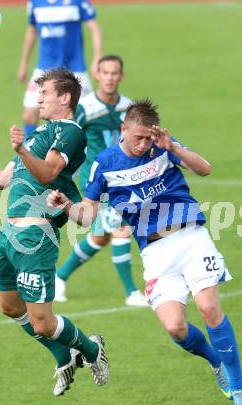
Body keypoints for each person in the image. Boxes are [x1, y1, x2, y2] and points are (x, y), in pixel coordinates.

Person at [46, 99, 242, 405]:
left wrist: (174, 149)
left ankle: (239, 387)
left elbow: (205, 168)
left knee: (209, 308)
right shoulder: (106, 163)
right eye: (138, 137)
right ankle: (216, 361)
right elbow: (87, 215)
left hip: (191, 237)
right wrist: (66, 207)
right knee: (175, 327)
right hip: (155, 252)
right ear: (123, 130)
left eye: (148, 138)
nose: (144, 144)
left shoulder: (162, 146)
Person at [0, 68, 109, 397]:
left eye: (45, 93)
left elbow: (48, 173)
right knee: (10, 307)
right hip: (9, 234)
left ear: (65, 98)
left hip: (36, 238)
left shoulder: (69, 133)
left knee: (42, 322)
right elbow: (2, 178)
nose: (38, 98)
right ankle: (63, 355)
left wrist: (22, 151)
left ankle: (92, 349)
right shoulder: (39, 133)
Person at [55, 55, 147, 307]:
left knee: (100, 237)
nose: (109, 78)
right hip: (98, 183)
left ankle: (59, 277)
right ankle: (131, 293)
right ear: (97, 75)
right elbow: (68, 135)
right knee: (122, 230)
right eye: (105, 73)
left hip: (125, 181)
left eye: (114, 73)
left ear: (121, 76)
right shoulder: (85, 108)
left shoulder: (127, 107)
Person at [17, 0, 102, 139]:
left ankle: (86, 154)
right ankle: (31, 156)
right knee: (29, 116)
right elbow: (32, 30)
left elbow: (94, 28)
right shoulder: (35, 3)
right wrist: (24, 63)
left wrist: (97, 57)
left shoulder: (77, 2)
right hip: (44, 68)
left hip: (75, 68)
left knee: (87, 116)